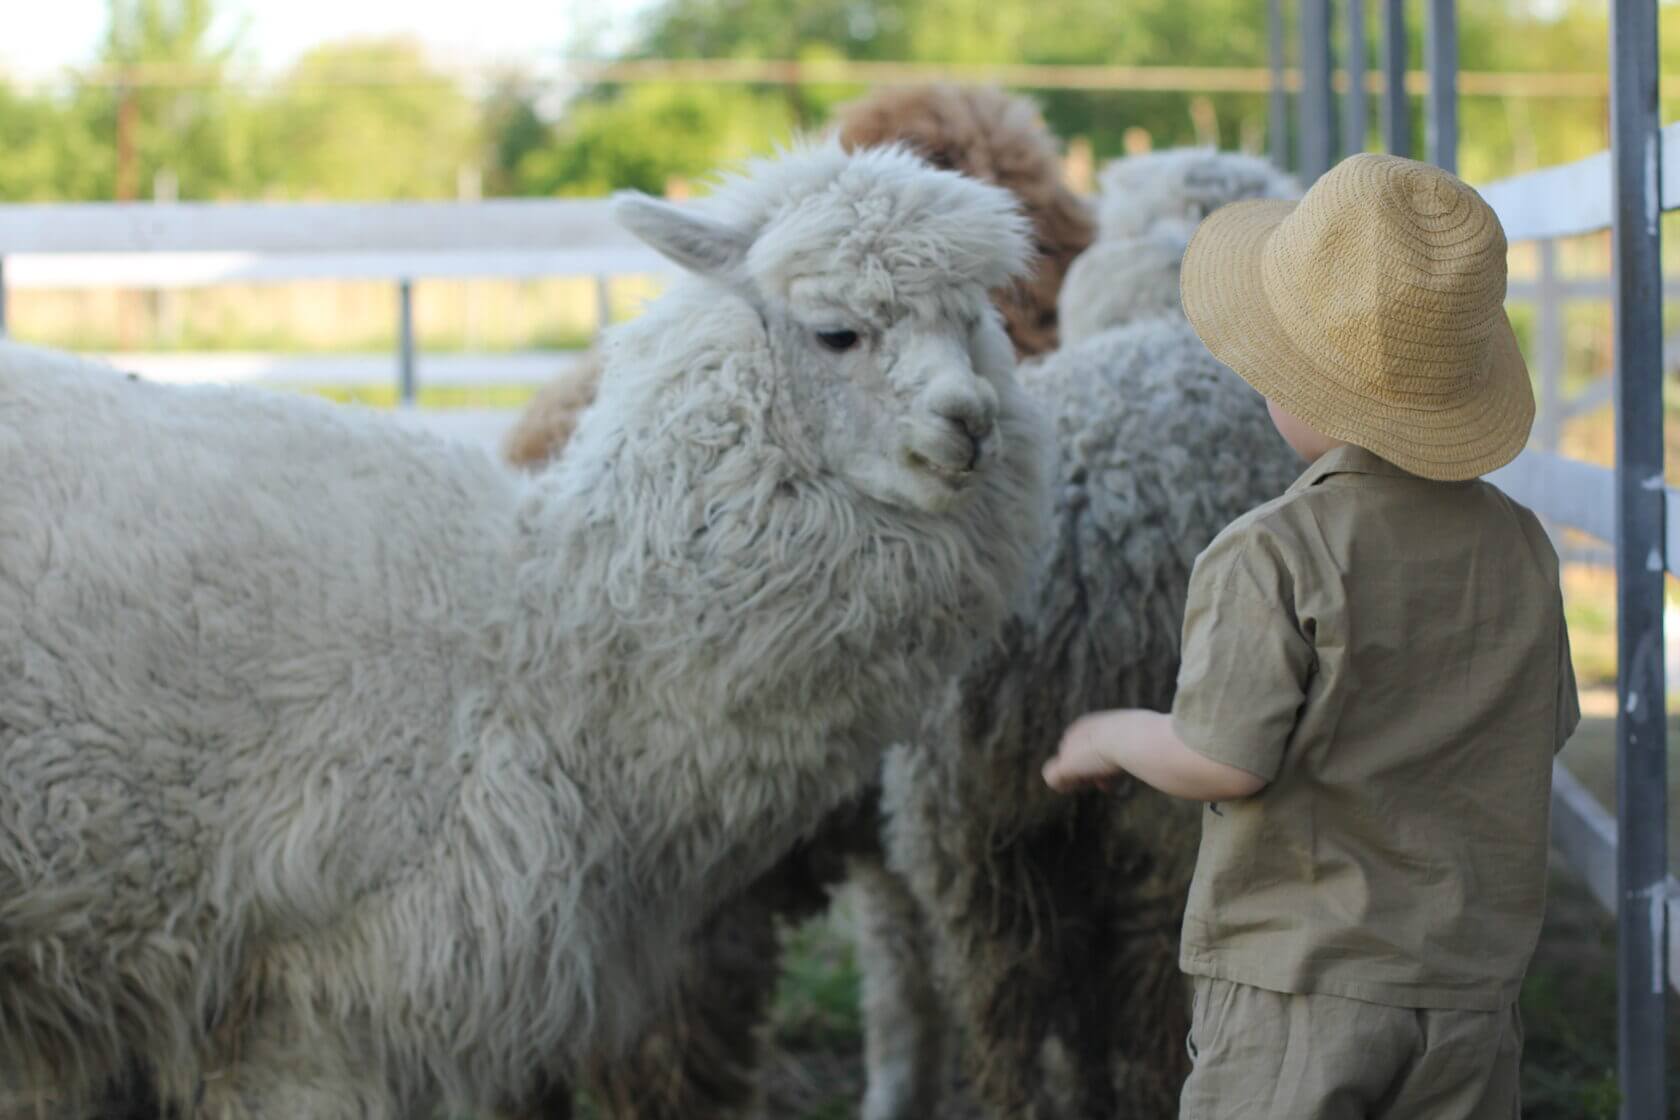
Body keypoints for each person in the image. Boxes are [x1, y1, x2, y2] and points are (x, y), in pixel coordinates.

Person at [1043, 152, 1580, 1119]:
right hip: (1469, 990)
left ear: (1298, 390)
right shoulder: (1519, 543)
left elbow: (1224, 759)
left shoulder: (1272, 551)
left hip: (1301, 985)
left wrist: (1111, 734)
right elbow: (1544, 725)